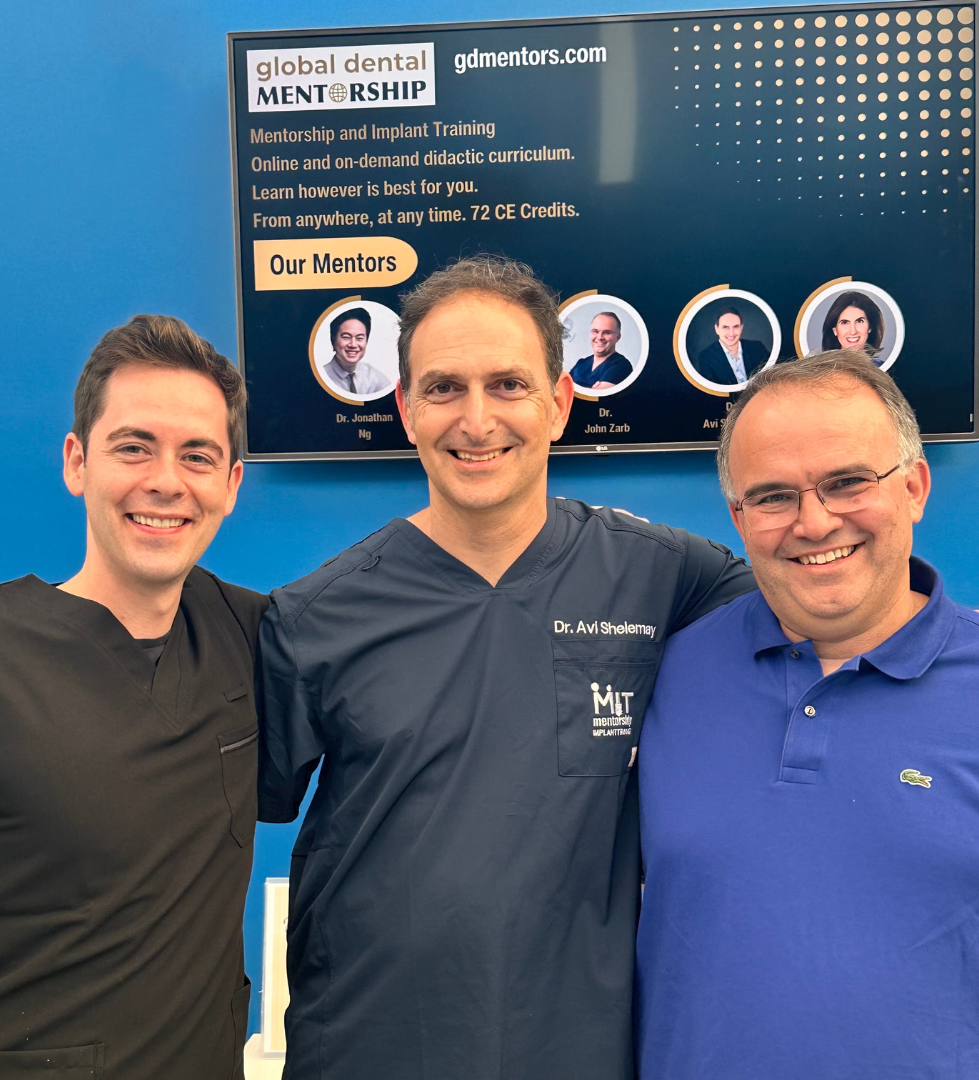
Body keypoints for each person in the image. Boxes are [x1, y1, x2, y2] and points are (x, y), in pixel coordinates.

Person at [258, 255, 756, 1080]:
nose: (476, 418)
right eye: (444, 388)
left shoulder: (667, 577)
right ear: (405, 409)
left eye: (508, 385)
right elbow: (210, 817)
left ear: (559, 402)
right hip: (368, 1044)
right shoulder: (316, 617)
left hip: (581, 1048)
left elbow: (829, 615)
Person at [635, 350, 979, 1078]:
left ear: (914, 487)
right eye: (773, 496)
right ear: (738, 518)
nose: (814, 521)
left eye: (847, 483)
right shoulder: (664, 675)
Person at [0, 316, 268, 1079]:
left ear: (231, 485)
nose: (166, 481)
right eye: (134, 447)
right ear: (77, 462)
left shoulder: (252, 638)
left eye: (198, 455)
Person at [693, 305, 769, 385]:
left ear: (741, 328)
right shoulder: (706, 357)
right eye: (725, 327)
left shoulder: (757, 347)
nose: (731, 333)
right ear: (717, 329)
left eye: (735, 327)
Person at [323, 307, 390, 395]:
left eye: (359, 338)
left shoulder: (373, 377)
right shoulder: (322, 376)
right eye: (346, 337)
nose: (353, 345)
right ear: (333, 340)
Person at [569, 311, 633, 389]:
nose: (599, 337)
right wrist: (591, 389)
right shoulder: (581, 364)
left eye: (607, 332)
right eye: (595, 331)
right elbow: (562, 389)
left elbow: (596, 395)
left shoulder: (622, 366)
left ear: (618, 337)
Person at [821, 289, 885, 363]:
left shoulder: (882, 367)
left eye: (859, 321)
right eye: (845, 322)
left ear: (870, 327)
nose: (853, 331)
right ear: (835, 330)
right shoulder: (821, 369)